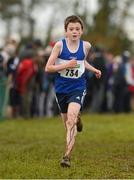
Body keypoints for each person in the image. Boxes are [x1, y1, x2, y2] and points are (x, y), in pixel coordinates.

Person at [45, 15, 101, 167]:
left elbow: (81, 62)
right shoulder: (59, 46)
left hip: (78, 87)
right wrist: (66, 65)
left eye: (77, 29)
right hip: (61, 89)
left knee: (70, 120)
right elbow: (48, 68)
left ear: (82, 31)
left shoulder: (86, 46)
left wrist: (94, 69)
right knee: (67, 124)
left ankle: (66, 157)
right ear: (66, 32)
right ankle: (77, 118)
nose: (74, 32)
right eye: (71, 29)